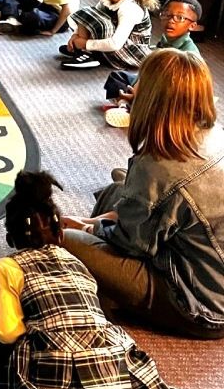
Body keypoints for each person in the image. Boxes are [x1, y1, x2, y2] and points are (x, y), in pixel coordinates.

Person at [0, 171, 183, 389]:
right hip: (106, 366)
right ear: (60, 232)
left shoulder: (7, 266)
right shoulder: (77, 262)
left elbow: (8, 333)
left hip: (53, 373)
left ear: (11, 236)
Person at [61, 50, 224, 339]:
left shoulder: (159, 167)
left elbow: (131, 246)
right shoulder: (216, 134)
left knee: (61, 237)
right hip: (205, 266)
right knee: (117, 190)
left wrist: (91, 226)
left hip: (200, 305)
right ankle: (116, 210)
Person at [102, 0, 203, 128]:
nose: (171, 21)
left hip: (172, 94)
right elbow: (148, 72)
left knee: (164, 103)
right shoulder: (164, 41)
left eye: (180, 18)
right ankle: (127, 106)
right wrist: (138, 87)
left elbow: (173, 88)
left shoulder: (188, 54)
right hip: (153, 85)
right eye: (167, 15)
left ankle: (129, 107)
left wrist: (141, 93)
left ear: (192, 26)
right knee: (117, 77)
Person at [59, 0, 158, 70]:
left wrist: (85, 43)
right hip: (114, 40)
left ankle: (88, 54)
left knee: (95, 19)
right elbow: (91, 18)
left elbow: (115, 43)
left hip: (129, 50)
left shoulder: (130, 9)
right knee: (89, 14)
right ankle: (83, 51)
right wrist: (76, 36)